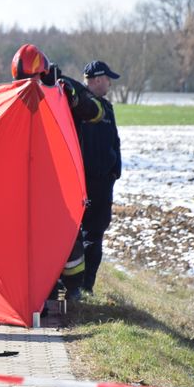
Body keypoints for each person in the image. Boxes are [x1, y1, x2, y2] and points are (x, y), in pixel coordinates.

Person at [11, 44, 103, 300]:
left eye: (31, 79)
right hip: (33, 175)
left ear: (44, 72)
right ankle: (45, 286)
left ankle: (74, 287)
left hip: (63, 175)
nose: (28, 84)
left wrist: (75, 98)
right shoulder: (18, 91)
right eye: (22, 80)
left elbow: (97, 113)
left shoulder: (65, 88)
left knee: (67, 232)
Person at [79, 60, 121, 294]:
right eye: (107, 79)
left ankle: (87, 286)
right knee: (81, 235)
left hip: (104, 182)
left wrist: (115, 171)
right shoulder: (77, 106)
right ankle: (76, 287)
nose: (109, 84)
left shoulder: (107, 107)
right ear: (96, 79)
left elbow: (115, 141)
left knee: (95, 234)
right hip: (84, 182)